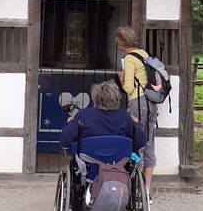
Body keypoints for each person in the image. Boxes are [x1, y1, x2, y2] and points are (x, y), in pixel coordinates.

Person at [116, 26, 156, 194]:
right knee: (149, 144)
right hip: (151, 103)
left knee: (135, 143)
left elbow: (129, 89)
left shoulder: (130, 59)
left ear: (121, 42)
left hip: (138, 103)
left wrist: (121, 78)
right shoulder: (144, 54)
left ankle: (134, 189)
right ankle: (146, 191)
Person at [60, 81, 146, 153]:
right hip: (119, 164)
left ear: (95, 98)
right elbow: (140, 143)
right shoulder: (124, 116)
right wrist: (136, 124)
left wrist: (70, 123)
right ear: (117, 98)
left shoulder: (84, 115)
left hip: (88, 164)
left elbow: (65, 141)